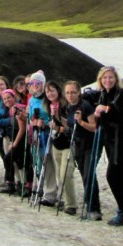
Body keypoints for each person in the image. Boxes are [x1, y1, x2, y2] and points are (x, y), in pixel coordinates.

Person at [93, 66, 123, 226]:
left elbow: (118, 112)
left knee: (112, 174)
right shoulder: (103, 95)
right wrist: (99, 114)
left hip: (122, 139)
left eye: (110, 77)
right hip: (111, 139)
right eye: (105, 78)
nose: (108, 80)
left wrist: (104, 109)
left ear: (116, 78)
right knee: (119, 173)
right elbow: (103, 118)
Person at [64, 80, 102, 220]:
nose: (70, 95)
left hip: (91, 144)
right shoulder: (68, 107)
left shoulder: (85, 106)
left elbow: (94, 127)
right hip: (78, 145)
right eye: (67, 93)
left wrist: (81, 122)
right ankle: (90, 205)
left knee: (89, 174)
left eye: (73, 92)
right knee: (85, 174)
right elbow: (69, 125)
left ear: (79, 92)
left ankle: (94, 209)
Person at [45, 79, 78, 215]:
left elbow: (70, 126)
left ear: (58, 91)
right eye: (47, 91)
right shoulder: (49, 106)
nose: (50, 94)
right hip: (56, 143)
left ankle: (71, 204)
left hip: (68, 143)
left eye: (52, 90)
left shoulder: (65, 105)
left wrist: (58, 123)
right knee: (59, 173)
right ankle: (63, 199)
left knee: (66, 174)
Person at [26, 71, 59, 206]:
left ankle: (51, 193)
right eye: (32, 83)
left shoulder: (47, 99)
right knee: (39, 161)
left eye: (38, 83)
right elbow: (30, 118)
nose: (35, 85)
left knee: (50, 162)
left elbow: (52, 116)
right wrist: (32, 121)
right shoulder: (32, 99)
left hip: (48, 133)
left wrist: (44, 123)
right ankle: (44, 189)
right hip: (36, 134)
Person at [0, 89, 28, 195]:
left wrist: (14, 143)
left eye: (9, 98)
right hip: (14, 139)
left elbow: (22, 128)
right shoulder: (11, 110)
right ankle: (16, 183)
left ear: (13, 97)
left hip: (20, 140)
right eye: (5, 99)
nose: (7, 100)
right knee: (14, 161)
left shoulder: (17, 108)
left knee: (13, 160)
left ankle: (18, 184)